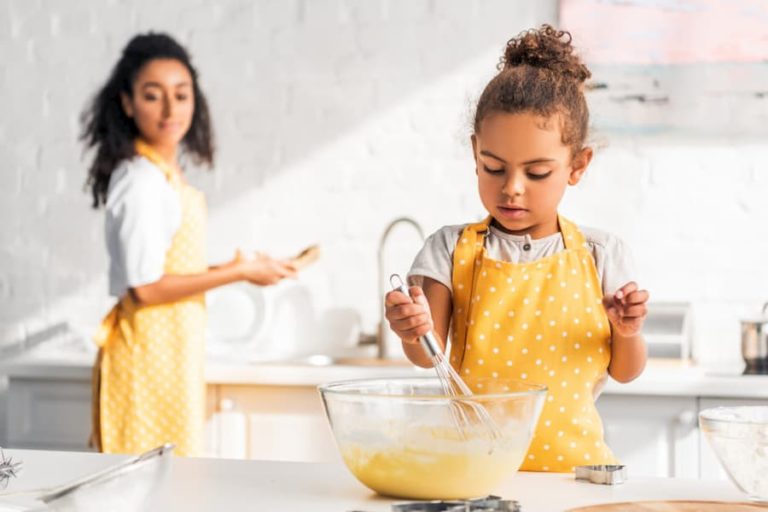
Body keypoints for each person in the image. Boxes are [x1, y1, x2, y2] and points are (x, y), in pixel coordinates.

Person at [384, 25, 649, 472]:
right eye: (493, 167)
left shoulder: (601, 254)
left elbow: (626, 371)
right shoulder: (449, 249)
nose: (512, 189)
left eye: (538, 172)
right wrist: (412, 330)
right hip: (474, 474)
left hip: (576, 479)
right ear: (475, 153)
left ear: (577, 165)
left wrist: (628, 331)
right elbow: (425, 356)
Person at [81, 32, 297, 456]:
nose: (169, 109)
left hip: (170, 355)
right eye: (152, 95)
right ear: (127, 103)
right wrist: (237, 272)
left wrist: (240, 267)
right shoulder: (141, 180)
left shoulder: (162, 173)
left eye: (180, 95)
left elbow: (164, 272)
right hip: (146, 360)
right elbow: (145, 288)